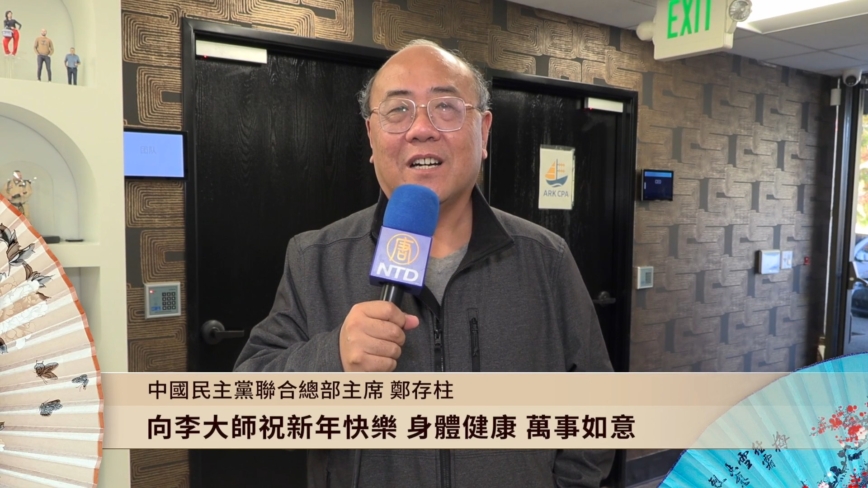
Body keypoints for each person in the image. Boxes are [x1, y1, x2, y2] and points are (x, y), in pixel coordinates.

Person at [234, 39, 615, 487]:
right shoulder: (314, 258)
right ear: (371, 137)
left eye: (445, 107)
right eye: (398, 110)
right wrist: (332, 358)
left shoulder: (546, 259)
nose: (420, 129)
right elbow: (250, 406)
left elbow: (597, 410)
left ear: (484, 130)